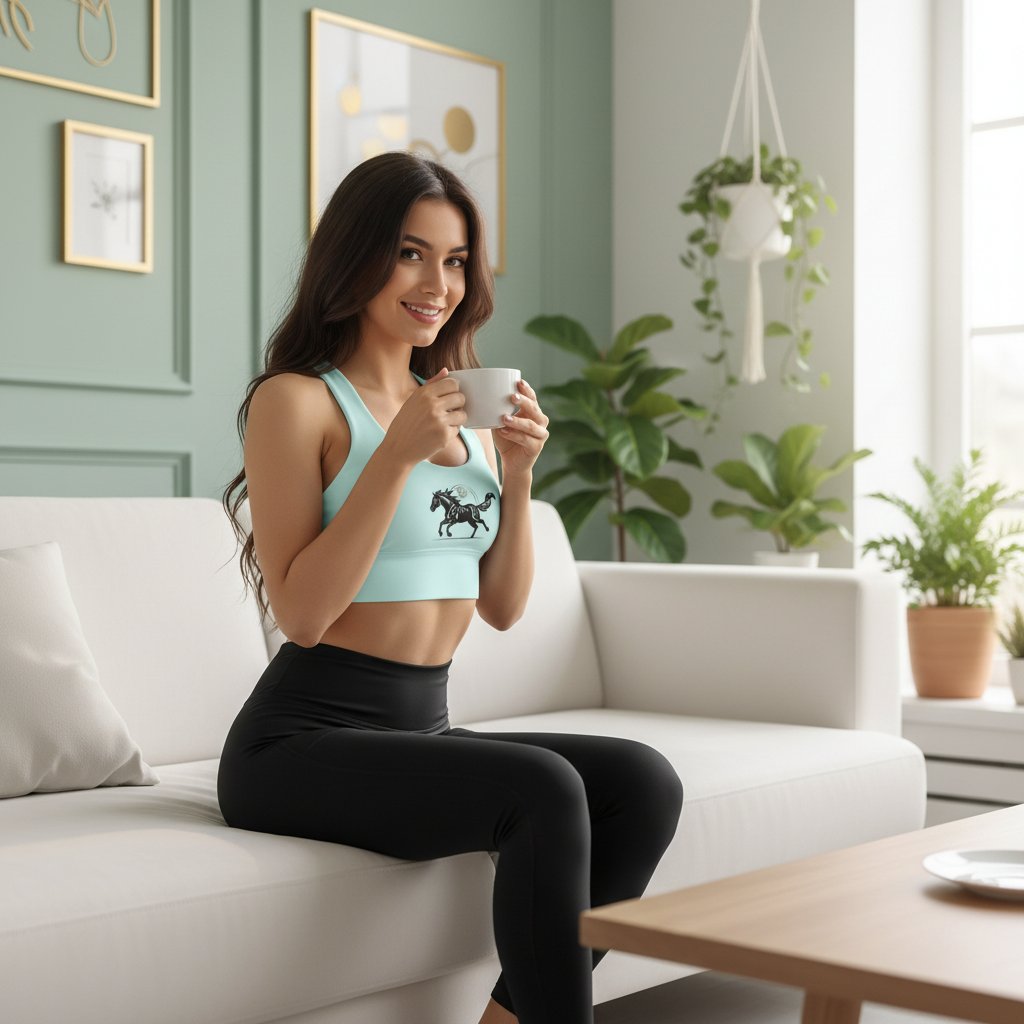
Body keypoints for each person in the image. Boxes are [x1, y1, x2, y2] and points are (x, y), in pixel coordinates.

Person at [218, 152, 683, 1024]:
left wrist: (516, 473)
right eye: (410, 253)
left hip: (416, 726)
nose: (438, 283)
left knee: (643, 782)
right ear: (353, 257)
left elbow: (503, 609)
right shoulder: (298, 403)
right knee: (542, 787)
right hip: (297, 742)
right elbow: (304, 614)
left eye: (457, 259)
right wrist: (392, 455)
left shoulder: (458, 408)